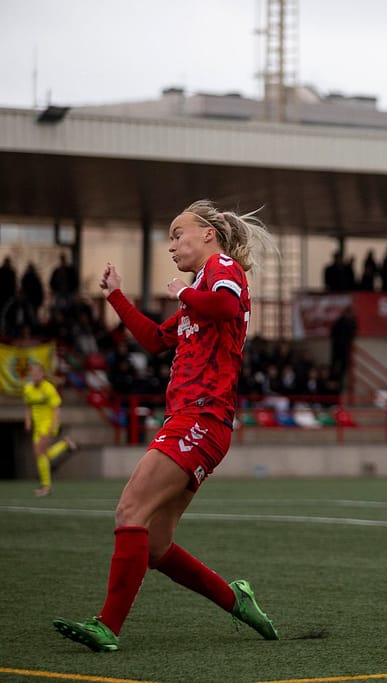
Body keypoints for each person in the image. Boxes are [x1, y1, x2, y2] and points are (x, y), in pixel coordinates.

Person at [52, 199, 281, 652]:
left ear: (209, 234)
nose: (173, 244)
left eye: (179, 234)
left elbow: (224, 308)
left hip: (200, 416)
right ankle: (236, 598)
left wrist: (181, 291)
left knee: (129, 510)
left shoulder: (222, 269)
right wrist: (116, 296)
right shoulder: (201, 287)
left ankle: (107, 626)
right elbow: (156, 339)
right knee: (156, 545)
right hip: (201, 423)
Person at [23, 361, 78, 497]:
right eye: (33, 373)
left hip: (48, 424)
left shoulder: (48, 388)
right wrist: (28, 420)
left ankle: (46, 487)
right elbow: (29, 406)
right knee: (43, 455)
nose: (35, 375)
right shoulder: (28, 389)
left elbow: (56, 409)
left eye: (38, 372)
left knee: (38, 453)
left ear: (42, 374)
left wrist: (53, 425)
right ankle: (64, 444)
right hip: (37, 425)